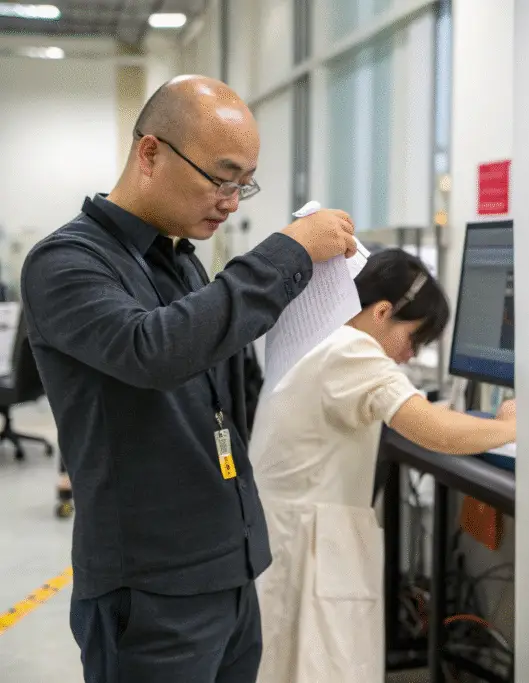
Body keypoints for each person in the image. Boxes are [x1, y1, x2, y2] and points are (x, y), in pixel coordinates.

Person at [19, 75, 358, 683]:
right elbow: (154, 351)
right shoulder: (66, 262)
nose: (231, 201)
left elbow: (223, 391)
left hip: (229, 569)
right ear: (150, 153)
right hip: (152, 588)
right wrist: (289, 253)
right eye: (221, 178)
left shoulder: (181, 263)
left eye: (243, 184)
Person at [248, 248, 516, 683]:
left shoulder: (323, 334)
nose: (410, 354)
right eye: (413, 338)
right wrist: (509, 427)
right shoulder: (352, 351)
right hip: (306, 543)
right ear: (383, 312)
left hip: (284, 532)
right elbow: (436, 432)